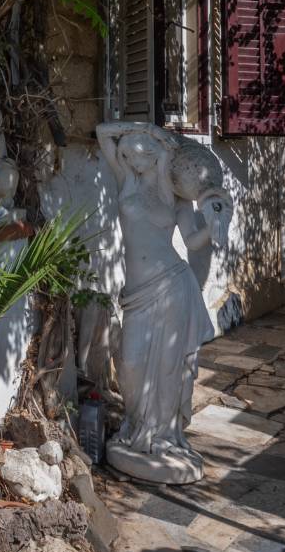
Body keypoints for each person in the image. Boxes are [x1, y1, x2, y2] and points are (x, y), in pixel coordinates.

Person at [95, 121, 230, 484]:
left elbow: (193, 241)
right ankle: (138, 427)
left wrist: (216, 222)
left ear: (157, 157)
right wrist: (147, 131)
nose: (134, 161)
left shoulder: (175, 197)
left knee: (169, 367)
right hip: (137, 294)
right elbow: (103, 132)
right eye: (129, 155)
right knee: (131, 363)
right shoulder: (126, 181)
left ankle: (163, 435)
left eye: (142, 155)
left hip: (172, 286)